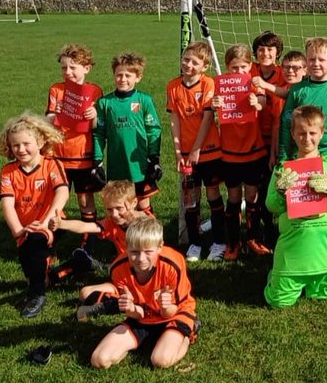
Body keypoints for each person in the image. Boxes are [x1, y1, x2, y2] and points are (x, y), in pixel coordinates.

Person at [265, 105, 327, 307]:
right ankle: (274, 274)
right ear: (293, 134)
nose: (307, 138)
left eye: (312, 133)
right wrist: (280, 192)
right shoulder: (282, 168)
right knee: (279, 303)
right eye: (301, 133)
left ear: (322, 133)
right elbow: (272, 206)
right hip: (293, 252)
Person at [90, 217, 198, 370]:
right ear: (126, 248)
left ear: (159, 247)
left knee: (160, 361)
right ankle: (143, 341)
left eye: (148, 252)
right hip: (143, 318)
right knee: (99, 360)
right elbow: (137, 314)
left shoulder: (172, 264)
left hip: (174, 314)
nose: (141, 259)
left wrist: (164, 306)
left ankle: (188, 334)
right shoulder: (118, 269)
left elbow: (173, 310)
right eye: (134, 252)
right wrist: (130, 309)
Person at [0, 113, 69, 318]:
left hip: (50, 223)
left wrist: (46, 222)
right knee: (32, 267)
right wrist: (18, 230)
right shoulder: (8, 171)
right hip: (25, 227)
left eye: (26, 144)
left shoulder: (51, 165)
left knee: (35, 246)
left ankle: (36, 295)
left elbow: (62, 192)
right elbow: (7, 204)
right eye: (15, 146)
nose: (21, 150)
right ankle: (68, 268)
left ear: (40, 141)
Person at [205, 44, 272, 260]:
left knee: (252, 196)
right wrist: (215, 104)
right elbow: (213, 106)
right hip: (230, 152)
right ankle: (233, 242)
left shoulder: (253, 84)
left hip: (254, 150)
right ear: (227, 67)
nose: (239, 72)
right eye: (234, 67)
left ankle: (252, 238)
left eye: (243, 67)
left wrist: (257, 103)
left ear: (250, 66)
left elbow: (262, 101)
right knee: (234, 197)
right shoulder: (221, 86)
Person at [56, 180, 152, 321]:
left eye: (119, 208)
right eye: (109, 209)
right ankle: (118, 304)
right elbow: (85, 227)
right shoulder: (112, 224)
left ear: (133, 203)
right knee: (84, 293)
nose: (114, 214)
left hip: (146, 280)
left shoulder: (147, 225)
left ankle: (116, 305)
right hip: (124, 278)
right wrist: (61, 223)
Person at [166, 41, 225, 262]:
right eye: (185, 59)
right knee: (190, 199)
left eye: (194, 62)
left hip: (208, 151)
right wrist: (179, 152)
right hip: (187, 154)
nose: (187, 64)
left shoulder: (209, 84)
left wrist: (196, 149)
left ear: (204, 66)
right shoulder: (173, 86)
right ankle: (194, 243)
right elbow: (174, 121)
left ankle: (219, 242)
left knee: (212, 194)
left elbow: (208, 118)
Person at [45, 44, 103, 237]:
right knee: (54, 198)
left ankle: (88, 239)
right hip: (58, 155)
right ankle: (51, 237)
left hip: (83, 155)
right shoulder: (56, 90)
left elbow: (97, 126)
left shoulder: (94, 91)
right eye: (64, 68)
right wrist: (61, 114)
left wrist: (93, 114)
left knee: (85, 199)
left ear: (86, 68)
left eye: (73, 67)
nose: (67, 72)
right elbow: (48, 120)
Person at [92, 52, 162, 211]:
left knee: (143, 204)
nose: (122, 79)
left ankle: (147, 235)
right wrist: (97, 161)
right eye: (119, 75)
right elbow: (98, 133)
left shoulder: (144, 100)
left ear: (138, 77)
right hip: (117, 167)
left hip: (139, 165)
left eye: (128, 75)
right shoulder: (105, 103)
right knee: (119, 205)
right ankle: (120, 235)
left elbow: (154, 131)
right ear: (114, 75)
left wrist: (154, 158)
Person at [277, 37, 327, 166]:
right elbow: (286, 125)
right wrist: (283, 158)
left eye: (321, 59)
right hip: (301, 155)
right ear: (306, 62)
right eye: (311, 59)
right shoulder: (297, 90)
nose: (316, 63)